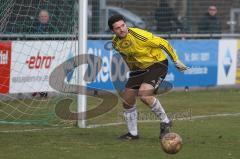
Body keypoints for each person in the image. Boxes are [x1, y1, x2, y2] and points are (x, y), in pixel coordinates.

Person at [108, 14, 188, 140]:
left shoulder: (139, 35)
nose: (122, 29)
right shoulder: (115, 43)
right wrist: (133, 71)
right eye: (118, 28)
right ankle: (133, 134)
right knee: (127, 100)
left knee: (144, 95)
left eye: (123, 25)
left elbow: (163, 43)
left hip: (157, 64)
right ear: (113, 31)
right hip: (139, 69)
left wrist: (176, 60)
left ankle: (165, 121)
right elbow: (126, 56)